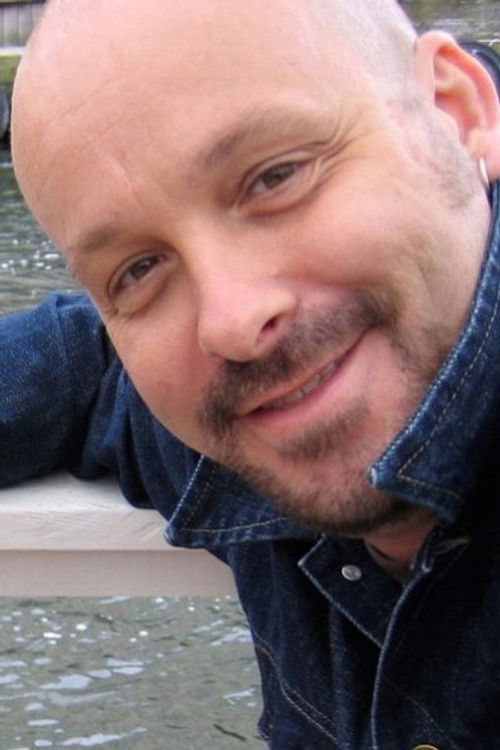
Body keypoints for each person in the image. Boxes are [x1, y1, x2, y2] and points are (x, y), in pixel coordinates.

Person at [2, 0, 500, 746]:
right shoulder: (234, 415)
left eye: (275, 178)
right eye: (139, 270)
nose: (232, 322)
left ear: (458, 114)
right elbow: (84, 368)